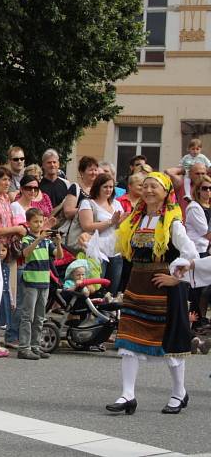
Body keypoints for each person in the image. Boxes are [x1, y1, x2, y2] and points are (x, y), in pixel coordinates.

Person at [105, 172, 199, 415]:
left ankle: (179, 392)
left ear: (166, 191)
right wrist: (101, 231)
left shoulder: (172, 221)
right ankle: (127, 395)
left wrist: (175, 276)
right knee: (129, 339)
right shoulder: (134, 220)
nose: (147, 190)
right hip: (137, 284)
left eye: (153, 186)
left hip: (163, 288)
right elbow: (112, 246)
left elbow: (191, 253)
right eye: (144, 186)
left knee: (170, 343)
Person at [0, 166, 27, 349]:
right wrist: (15, 229)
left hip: (6, 252)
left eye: (9, 180)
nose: (7, 183)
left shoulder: (5, 199)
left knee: (4, 297)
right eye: (3, 179)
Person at [18, 208, 62, 360]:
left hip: (44, 282)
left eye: (41, 221)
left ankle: (35, 346)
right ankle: (24, 347)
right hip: (30, 281)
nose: (39, 224)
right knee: (27, 316)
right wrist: (38, 239)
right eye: (35, 222)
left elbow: (59, 256)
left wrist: (59, 243)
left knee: (39, 317)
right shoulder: (27, 239)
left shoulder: (47, 241)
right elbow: (25, 254)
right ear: (28, 223)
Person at [78, 173, 125, 294]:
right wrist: (111, 222)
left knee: (112, 290)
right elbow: (87, 226)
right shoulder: (88, 203)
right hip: (97, 251)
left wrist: (123, 221)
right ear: (98, 187)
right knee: (95, 288)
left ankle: (107, 313)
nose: (109, 189)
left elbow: (119, 226)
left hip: (115, 251)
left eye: (111, 187)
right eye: (105, 186)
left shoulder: (116, 204)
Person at [184, 175, 211, 325]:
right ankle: (192, 322)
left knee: (202, 289)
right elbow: (205, 231)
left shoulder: (209, 206)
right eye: (204, 188)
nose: (208, 191)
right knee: (195, 287)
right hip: (196, 250)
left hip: (206, 250)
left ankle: (199, 319)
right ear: (198, 190)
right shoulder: (194, 207)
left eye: (210, 188)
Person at [61, 156, 100, 250]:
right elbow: (67, 212)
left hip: (94, 234)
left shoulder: (99, 189)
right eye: (90, 170)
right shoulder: (76, 187)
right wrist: (86, 211)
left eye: (95, 170)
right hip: (77, 235)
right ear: (82, 172)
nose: (94, 173)